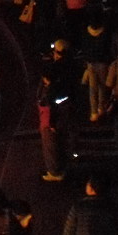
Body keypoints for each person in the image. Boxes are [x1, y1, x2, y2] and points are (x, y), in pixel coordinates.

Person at [39, 40, 82, 183]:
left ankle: (55, 171)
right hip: (70, 106)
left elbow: (51, 98)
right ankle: (65, 165)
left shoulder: (55, 70)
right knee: (65, 139)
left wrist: (51, 121)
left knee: (51, 142)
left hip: (56, 111)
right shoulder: (74, 66)